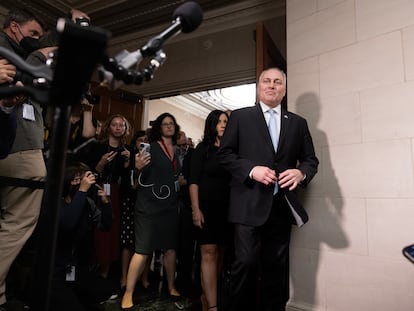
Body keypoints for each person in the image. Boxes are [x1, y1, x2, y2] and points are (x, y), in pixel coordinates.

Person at [217, 67, 319, 311]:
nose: (272, 85)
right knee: (246, 263)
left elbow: (310, 160)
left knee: (276, 268)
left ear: (284, 90)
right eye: (266, 81)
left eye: (277, 82)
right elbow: (225, 155)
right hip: (247, 205)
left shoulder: (297, 123)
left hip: (281, 207)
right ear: (258, 87)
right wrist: (252, 170)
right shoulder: (241, 117)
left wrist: (301, 172)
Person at [0, 8, 45, 309]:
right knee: (16, 225)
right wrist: (43, 54)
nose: (36, 41)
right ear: (13, 28)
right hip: (18, 150)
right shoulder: (9, 56)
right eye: (33, 34)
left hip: (13, 146)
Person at [121, 113, 185, 310]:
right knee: (142, 250)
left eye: (171, 123)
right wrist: (137, 167)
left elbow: (172, 175)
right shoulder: (149, 147)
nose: (168, 126)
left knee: (170, 248)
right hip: (148, 205)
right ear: (159, 127)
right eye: (165, 124)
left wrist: (179, 182)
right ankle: (128, 292)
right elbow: (135, 181)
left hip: (170, 205)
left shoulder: (177, 150)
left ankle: (171, 286)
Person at [49, 162, 115, 311]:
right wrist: (82, 191)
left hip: (75, 268)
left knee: (104, 291)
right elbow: (68, 223)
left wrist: (105, 203)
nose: (83, 182)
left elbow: (106, 225)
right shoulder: (56, 203)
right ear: (70, 181)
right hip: (57, 272)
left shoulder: (86, 202)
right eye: (78, 179)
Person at [189, 110, 231, 311]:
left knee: (220, 254)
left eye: (226, 121)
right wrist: (195, 209)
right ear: (212, 124)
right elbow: (193, 182)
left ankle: (207, 297)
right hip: (206, 207)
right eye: (219, 121)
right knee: (208, 252)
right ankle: (213, 307)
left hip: (227, 208)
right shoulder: (202, 149)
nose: (223, 124)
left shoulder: (232, 150)